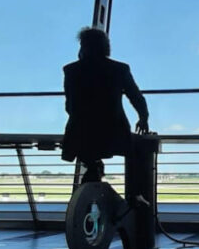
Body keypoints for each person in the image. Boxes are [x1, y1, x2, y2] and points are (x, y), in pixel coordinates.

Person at [62, 27, 150, 183]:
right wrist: (143, 117)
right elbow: (135, 96)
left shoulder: (72, 70)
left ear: (83, 46)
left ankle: (93, 170)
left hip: (81, 129)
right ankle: (135, 197)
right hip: (113, 127)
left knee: (87, 153)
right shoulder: (120, 69)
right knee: (138, 152)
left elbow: (70, 105)